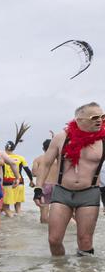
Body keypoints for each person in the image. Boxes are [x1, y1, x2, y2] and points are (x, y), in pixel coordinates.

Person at [35, 102, 105, 256]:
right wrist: (38, 188)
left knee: (85, 240)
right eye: (94, 117)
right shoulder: (61, 138)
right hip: (62, 192)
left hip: (89, 193)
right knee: (54, 240)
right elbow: (46, 164)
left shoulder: (103, 140)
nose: (99, 120)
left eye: (102, 116)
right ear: (79, 120)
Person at [32, 138, 56, 224]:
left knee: (44, 211)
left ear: (43, 148)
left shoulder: (38, 159)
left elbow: (34, 173)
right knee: (61, 211)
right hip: (57, 186)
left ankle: (43, 232)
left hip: (44, 186)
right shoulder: (58, 159)